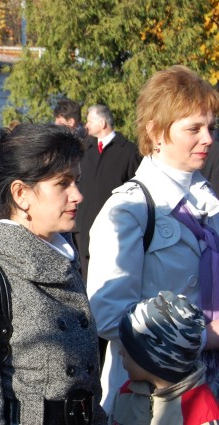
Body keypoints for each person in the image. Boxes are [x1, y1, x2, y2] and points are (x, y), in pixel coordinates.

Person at [0, 124, 105, 424]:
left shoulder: (62, 262)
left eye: (76, 181)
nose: (77, 195)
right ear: (21, 194)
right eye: (63, 183)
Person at [87, 65, 219, 414]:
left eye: (210, 127)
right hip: (152, 402)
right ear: (156, 132)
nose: (208, 138)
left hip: (206, 388)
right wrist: (204, 337)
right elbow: (108, 315)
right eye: (194, 128)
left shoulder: (205, 199)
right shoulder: (128, 209)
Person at [109, 291, 219, 425]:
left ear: (153, 361)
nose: (121, 351)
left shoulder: (202, 413)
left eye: (129, 347)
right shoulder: (126, 393)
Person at [76, 104, 140, 280]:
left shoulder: (128, 151)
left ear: (102, 122)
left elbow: (137, 190)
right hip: (85, 228)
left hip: (116, 229)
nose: (86, 126)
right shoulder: (84, 151)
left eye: (89, 121)